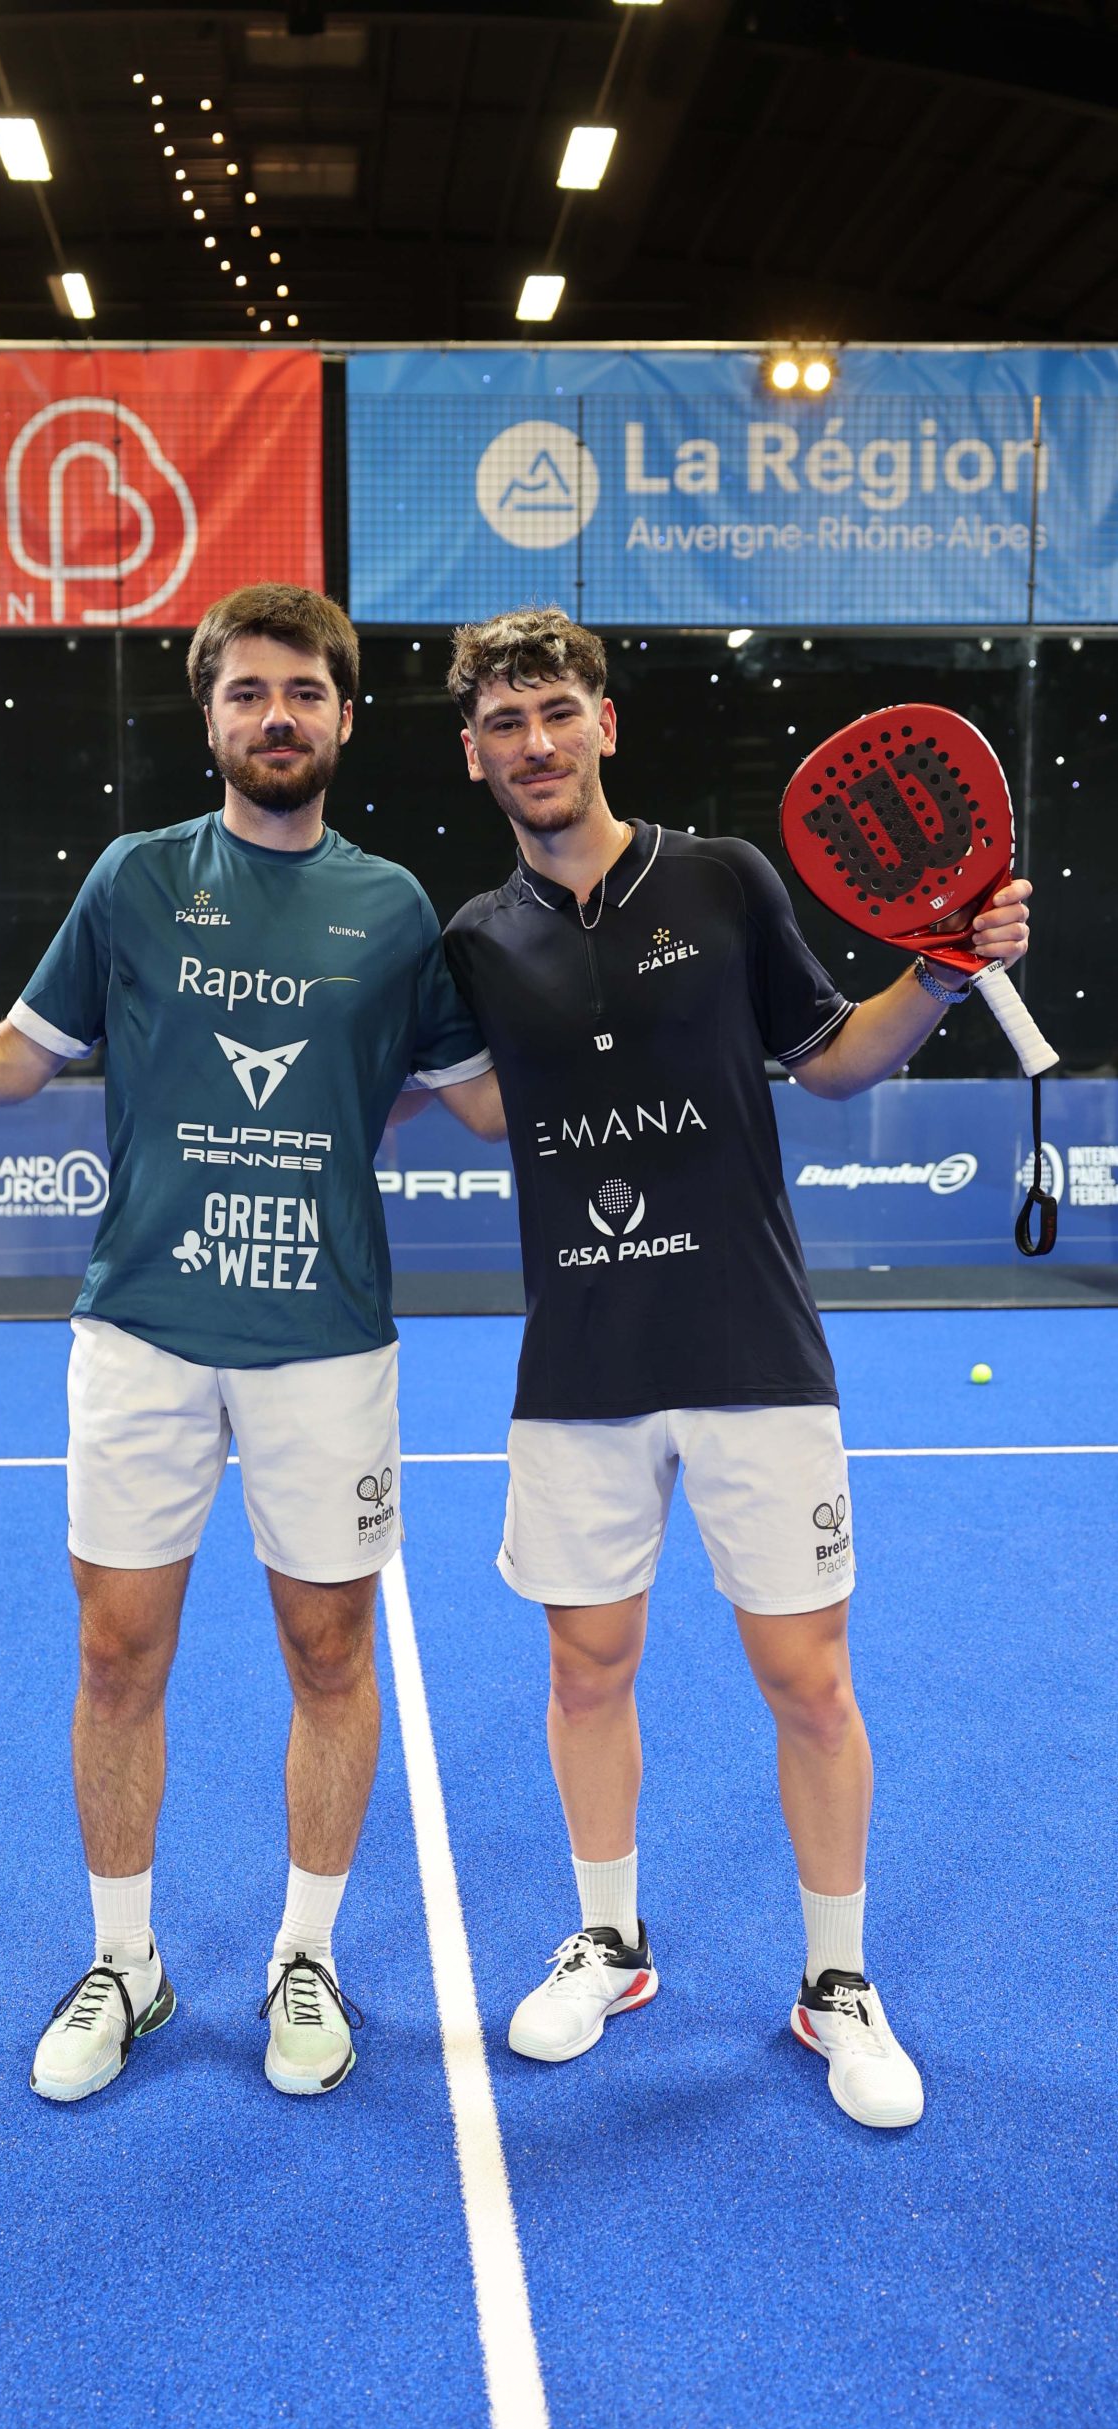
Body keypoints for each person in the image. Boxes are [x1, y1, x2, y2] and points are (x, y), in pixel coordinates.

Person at [0, 584, 499, 2105]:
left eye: (303, 692)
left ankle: (304, 1954)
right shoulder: (135, 879)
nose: (276, 716)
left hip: (326, 1342)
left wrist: (666, 1037)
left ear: (342, 717)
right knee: (117, 1651)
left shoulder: (395, 907)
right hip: (139, 1332)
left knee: (329, 1654)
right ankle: (125, 1963)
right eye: (247, 691)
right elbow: (18, 1058)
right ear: (209, 718)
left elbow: (476, 1098)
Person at [429, 606, 1032, 2130]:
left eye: (555, 710)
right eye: (503, 723)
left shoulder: (720, 877)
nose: (535, 743)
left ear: (604, 722)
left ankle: (836, 1984)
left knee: (807, 1680)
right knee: (585, 1666)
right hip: (579, 1361)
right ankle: (610, 1943)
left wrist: (941, 974)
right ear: (473, 754)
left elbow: (828, 1062)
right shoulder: (473, 940)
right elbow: (480, 1111)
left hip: (751, 1346)